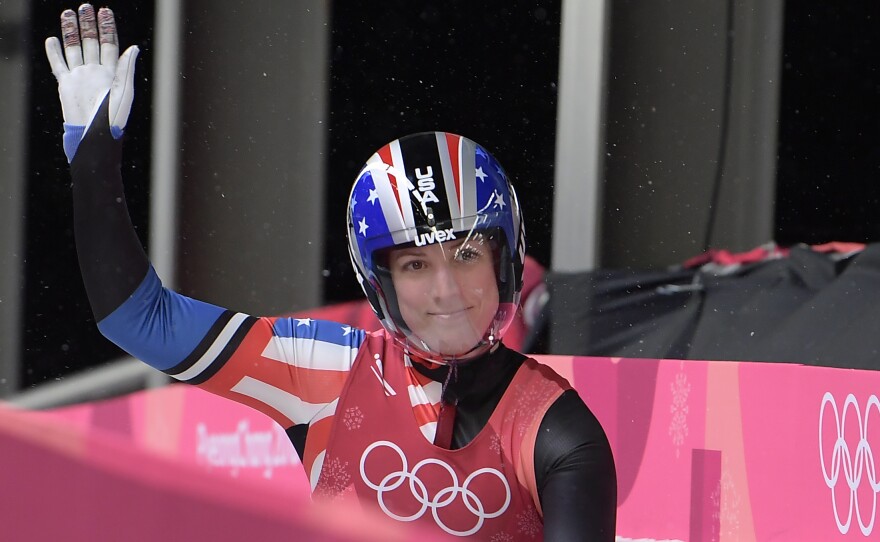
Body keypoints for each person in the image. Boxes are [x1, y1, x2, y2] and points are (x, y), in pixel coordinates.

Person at [45, 4, 616, 540]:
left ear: (506, 262)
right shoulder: (330, 372)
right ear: (380, 283)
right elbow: (137, 320)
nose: (447, 291)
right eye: (416, 264)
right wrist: (93, 156)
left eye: (466, 255)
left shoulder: (557, 428)